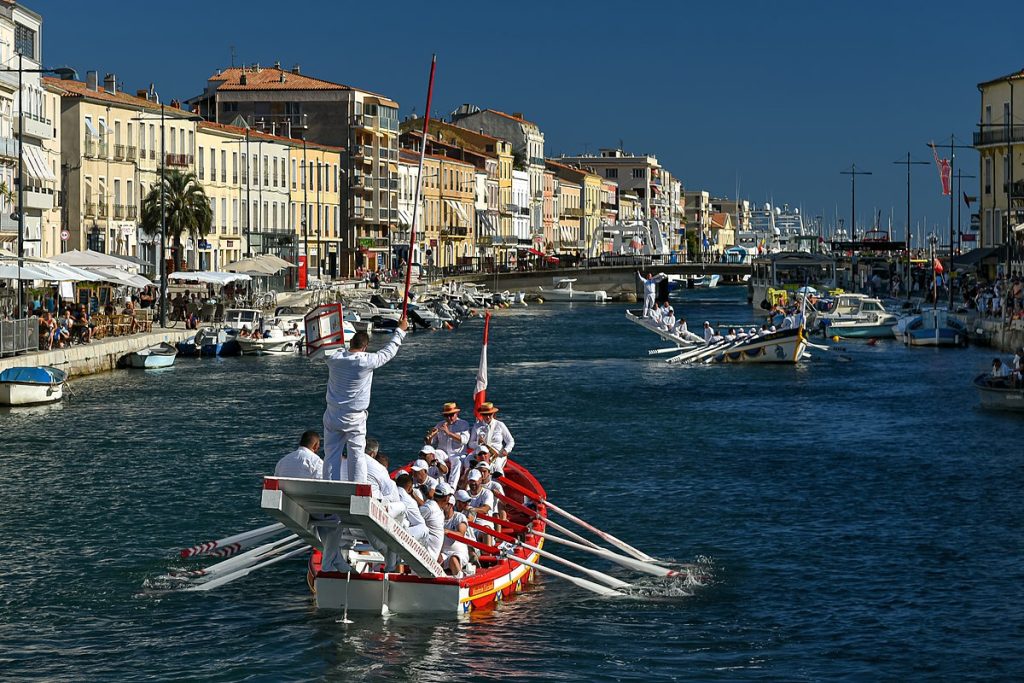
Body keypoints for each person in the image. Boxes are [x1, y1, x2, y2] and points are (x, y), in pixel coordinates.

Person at [321, 317, 409, 484]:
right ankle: (358, 489)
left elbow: (322, 348)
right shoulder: (366, 361)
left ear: (350, 343)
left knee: (331, 453)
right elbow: (389, 351)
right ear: (365, 347)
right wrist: (400, 331)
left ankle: (330, 486)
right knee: (356, 454)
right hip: (354, 416)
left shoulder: (334, 358)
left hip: (332, 413)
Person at [470, 402, 515, 473]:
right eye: (485, 414)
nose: (488, 417)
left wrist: (506, 450)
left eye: (490, 414)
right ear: (481, 414)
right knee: (467, 461)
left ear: (493, 414)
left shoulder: (500, 425)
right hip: (482, 454)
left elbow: (510, 441)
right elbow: (471, 444)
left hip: (497, 455)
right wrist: (478, 443)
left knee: (496, 469)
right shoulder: (476, 426)